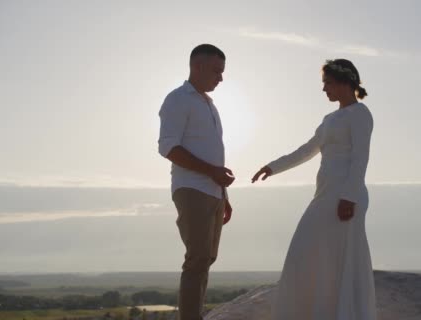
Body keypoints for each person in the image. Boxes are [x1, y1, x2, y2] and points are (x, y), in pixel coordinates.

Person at [252, 59, 377, 319]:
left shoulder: (360, 114)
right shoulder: (330, 118)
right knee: (307, 251)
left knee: (342, 256)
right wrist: (273, 167)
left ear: (344, 82)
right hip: (325, 194)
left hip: (346, 195)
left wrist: (349, 197)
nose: (324, 90)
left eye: (327, 83)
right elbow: (307, 150)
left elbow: (360, 157)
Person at [158, 44, 234, 320]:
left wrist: (224, 195)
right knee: (197, 260)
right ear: (197, 66)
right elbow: (168, 147)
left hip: (213, 191)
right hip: (191, 188)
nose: (220, 78)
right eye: (216, 71)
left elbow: (213, 155)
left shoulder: (209, 104)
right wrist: (211, 173)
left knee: (206, 259)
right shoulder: (178, 99)